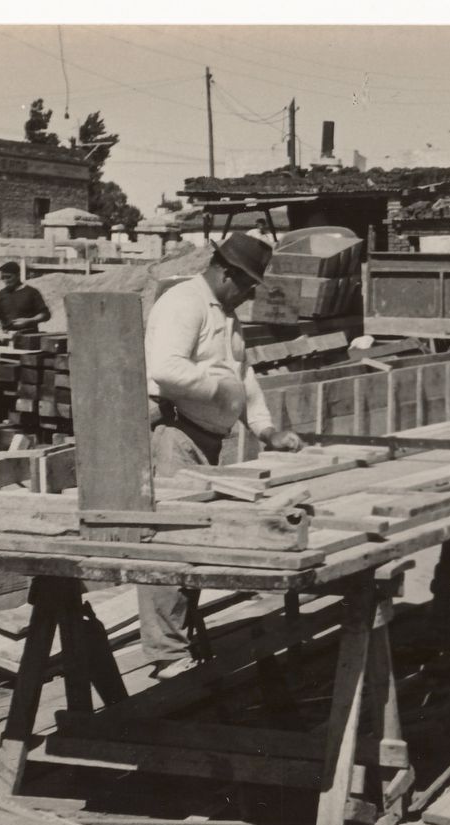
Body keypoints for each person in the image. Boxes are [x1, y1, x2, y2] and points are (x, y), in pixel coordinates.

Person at [139, 234, 304, 676]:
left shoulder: (225, 314)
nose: (249, 295)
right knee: (169, 544)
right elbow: (165, 369)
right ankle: (166, 656)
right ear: (226, 272)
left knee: (192, 542)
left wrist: (266, 429)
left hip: (206, 439)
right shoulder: (184, 303)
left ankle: (178, 644)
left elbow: (244, 377)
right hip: (176, 435)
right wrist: (217, 390)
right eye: (247, 285)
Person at [0, 261, 51, 333]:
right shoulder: (1, 294)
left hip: (28, 336)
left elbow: (45, 315)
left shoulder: (31, 292)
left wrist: (29, 320)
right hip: (7, 335)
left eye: (8, 277)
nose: (5, 281)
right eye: (3, 278)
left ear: (18, 275)